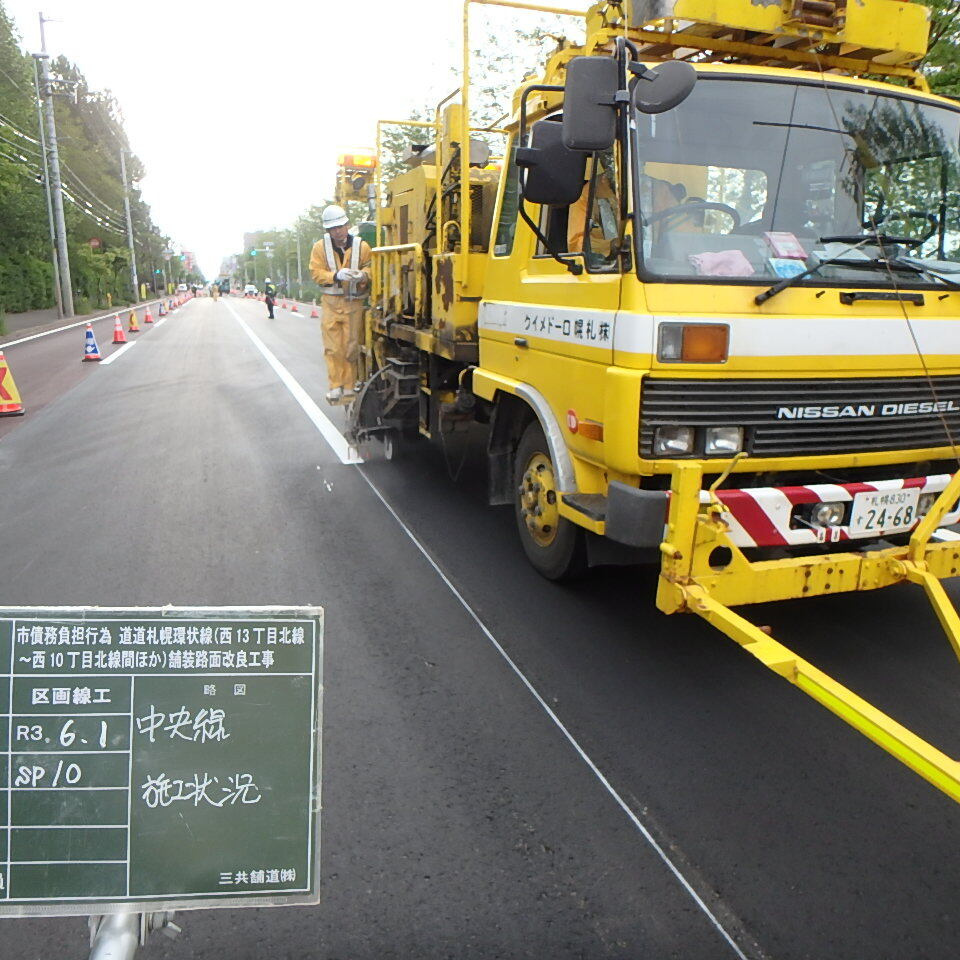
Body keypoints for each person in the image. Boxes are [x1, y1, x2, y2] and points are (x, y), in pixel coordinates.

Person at [308, 204, 372, 404]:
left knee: (351, 347)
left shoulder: (362, 247)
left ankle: (349, 385)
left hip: (354, 303)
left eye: (340, 227)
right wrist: (335, 275)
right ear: (328, 230)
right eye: (333, 228)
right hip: (331, 303)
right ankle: (335, 386)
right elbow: (316, 273)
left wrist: (362, 276)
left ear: (347, 225)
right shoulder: (320, 248)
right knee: (333, 347)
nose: (338, 231)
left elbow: (372, 269)